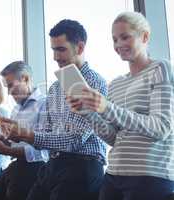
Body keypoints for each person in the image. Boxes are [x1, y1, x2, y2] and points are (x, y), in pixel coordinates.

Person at [66, 11, 174, 200]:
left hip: (149, 177)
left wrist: (107, 107)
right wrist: (87, 112)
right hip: (114, 175)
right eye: (115, 39)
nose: (118, 45)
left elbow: (161, 128)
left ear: (145, 36)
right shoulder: (115, 84)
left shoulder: (160, 68)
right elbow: (114, 138)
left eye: (125, 37)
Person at [0, 20, 108, 200]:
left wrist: (27, 135)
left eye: (61, 49)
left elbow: (76, 139)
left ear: (79, 47)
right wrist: (16, 134)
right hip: (53, 166)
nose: (55, 57)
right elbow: (45, 134)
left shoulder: (94, 83)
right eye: (53, 50)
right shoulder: (55, 88)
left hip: (82, 167)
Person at [0, 61, 48, 200]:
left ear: (25, 78)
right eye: (7, 87)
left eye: (11, 85)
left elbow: (43, 151)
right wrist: (3, 140)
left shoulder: (44, 104)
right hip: (16, 166)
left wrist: (6, 150)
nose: (9, 92)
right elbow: (12, 142)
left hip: (34, 169)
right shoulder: (16, 109)